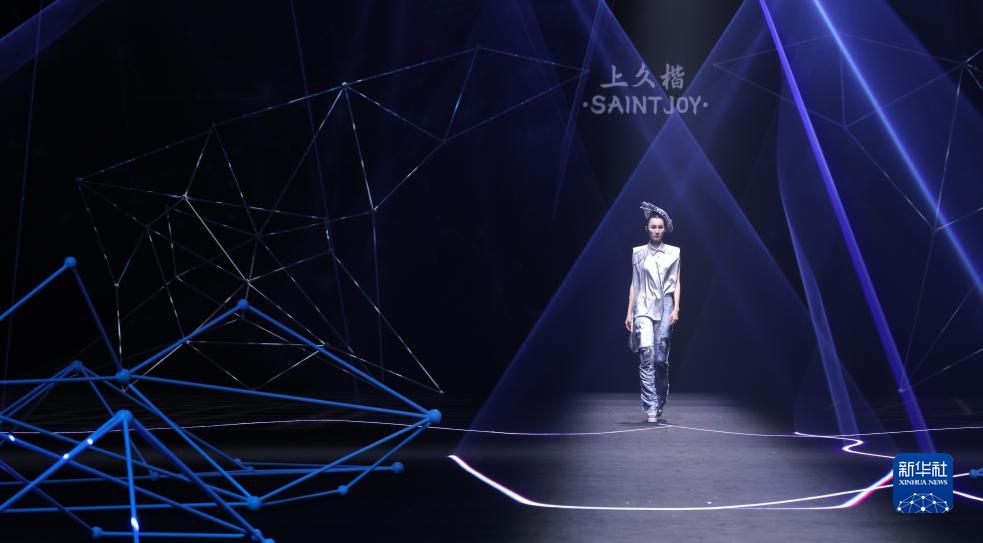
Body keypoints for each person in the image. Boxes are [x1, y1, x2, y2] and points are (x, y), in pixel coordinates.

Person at [624, 202, 680, 423]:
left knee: (660, 360)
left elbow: (677, 282)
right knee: (646, 355)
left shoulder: (674, 252)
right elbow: (634, 284)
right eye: (653, 227)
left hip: (666, 304)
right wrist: (629, 312)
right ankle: (651, 405)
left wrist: (676, 307)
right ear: (646, 228)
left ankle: (660, 398)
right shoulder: (637, 253)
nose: (657, 230)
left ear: (665, 229)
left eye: (660, 227)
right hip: (644, 305)